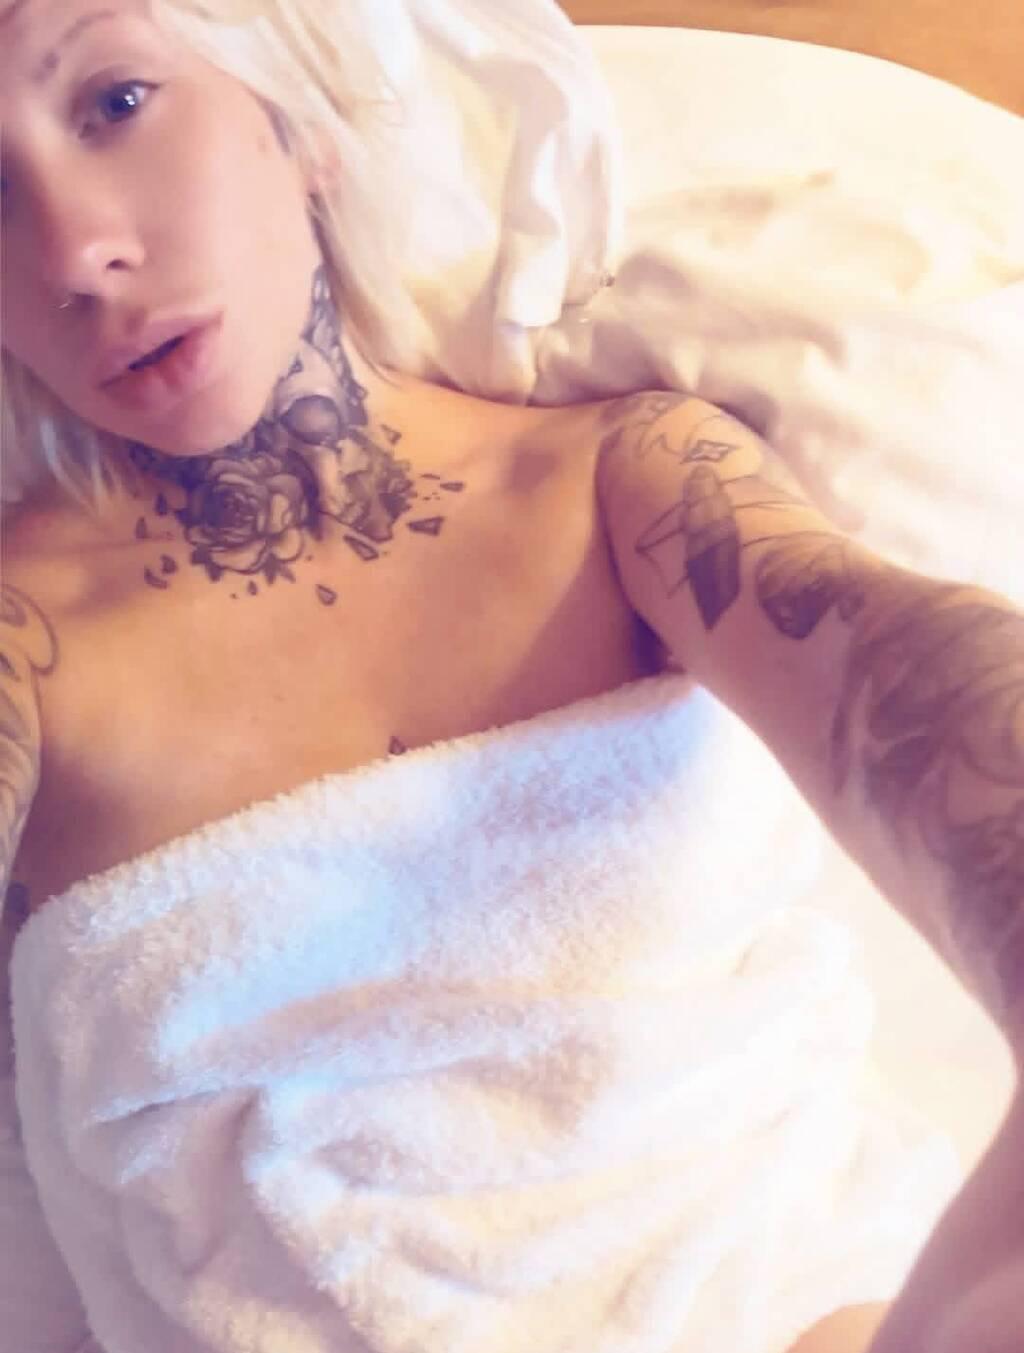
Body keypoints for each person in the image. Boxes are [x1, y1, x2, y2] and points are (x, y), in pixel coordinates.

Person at [1, 4, 1021, 1353]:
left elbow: (899, 665)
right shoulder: (24, 641)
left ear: (294, 117)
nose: (75, 251)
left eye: (117, 102)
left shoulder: (623, 486)